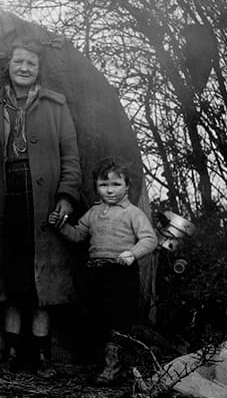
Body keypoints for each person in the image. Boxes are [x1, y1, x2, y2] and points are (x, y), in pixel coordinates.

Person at [0, 37, 81, 375]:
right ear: (9, 65)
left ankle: (41, 354)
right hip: (3, 199)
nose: (24, 68)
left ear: (38, 70)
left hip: (44, 202)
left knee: (41, 280)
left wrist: (65, 196)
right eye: (19, 62)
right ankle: (14, 353)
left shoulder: (56, 106)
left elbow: (71, 157)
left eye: (31, 63)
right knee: (11, 276)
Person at [48, 158, 157, 384]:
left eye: (116, 184)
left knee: (119, 320)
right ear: (96, 187)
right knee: (97, 318)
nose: (110, 190)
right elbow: (78, 235)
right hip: (96, 273)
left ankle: (114, 367)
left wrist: (131, 254)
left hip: (121, 273)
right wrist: (60, 226)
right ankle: (100, 365)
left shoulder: (133, 213)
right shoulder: (94, 212)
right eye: (103, 185)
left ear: (127, 186)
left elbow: (149, 239)